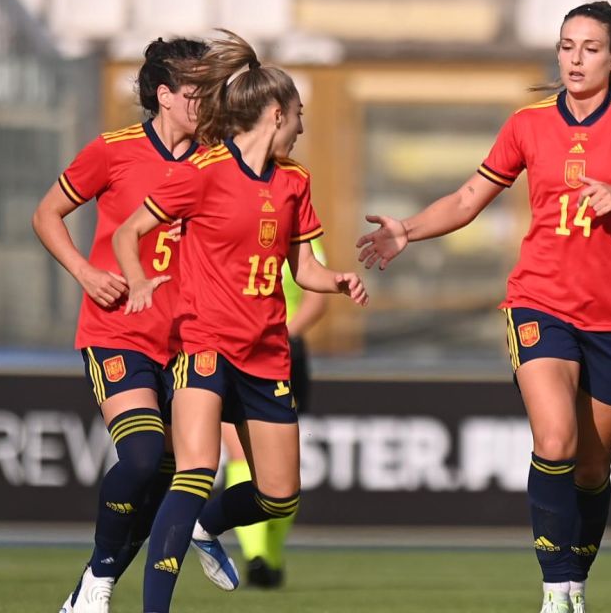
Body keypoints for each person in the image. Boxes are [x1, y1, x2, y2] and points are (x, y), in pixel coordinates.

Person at [356, 1, 611, 613]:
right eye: (567, 45)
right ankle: (554, 593)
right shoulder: (528, 121)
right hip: (538, 301)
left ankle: (575, 585)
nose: (574, 58)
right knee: (555, 438)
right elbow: (469, 197)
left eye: (590, 48)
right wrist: (408, 228)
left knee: (593, 470)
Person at [112, 30, 368, 613]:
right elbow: (130, 232)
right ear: (277, 113)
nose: (303, 126)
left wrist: (340, 280)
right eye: (299, 114)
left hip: (266, 354)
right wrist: (139, 281)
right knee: (196, 469)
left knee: (279, 496)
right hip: (203, 344)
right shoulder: (203, 171)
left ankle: (206, 528)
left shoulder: (295, 181)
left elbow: (304, 267)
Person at [33, 38, 238, 613]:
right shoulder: (113, 150)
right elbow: (46, 212)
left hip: (192, 342)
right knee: (143, 457)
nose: (209, 99)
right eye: (198, 89)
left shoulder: (218, 157)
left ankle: (94, 586)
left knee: (177, 481)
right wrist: (83, 272)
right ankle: (98, 579)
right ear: (165, 95)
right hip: (117, 332)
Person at [221, 236, 327, 588]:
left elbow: (316, 299)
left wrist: (280, 335)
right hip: (231, 352)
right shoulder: (224, 228)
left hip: (282, 354)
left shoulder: (298, 231)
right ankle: (255, 556)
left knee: (280, 466)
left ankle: (270, 554)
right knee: (239, 453)